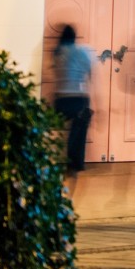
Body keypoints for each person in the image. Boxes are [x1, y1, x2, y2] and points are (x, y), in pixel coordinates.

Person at [51, 24, 94, 197]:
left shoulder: (57, 53)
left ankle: (57, 191)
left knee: (59, 145)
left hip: (60, 101)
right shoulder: (82, 52)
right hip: (78, 100)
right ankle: (69, 199)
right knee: (75, 152)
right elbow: (90, 77)